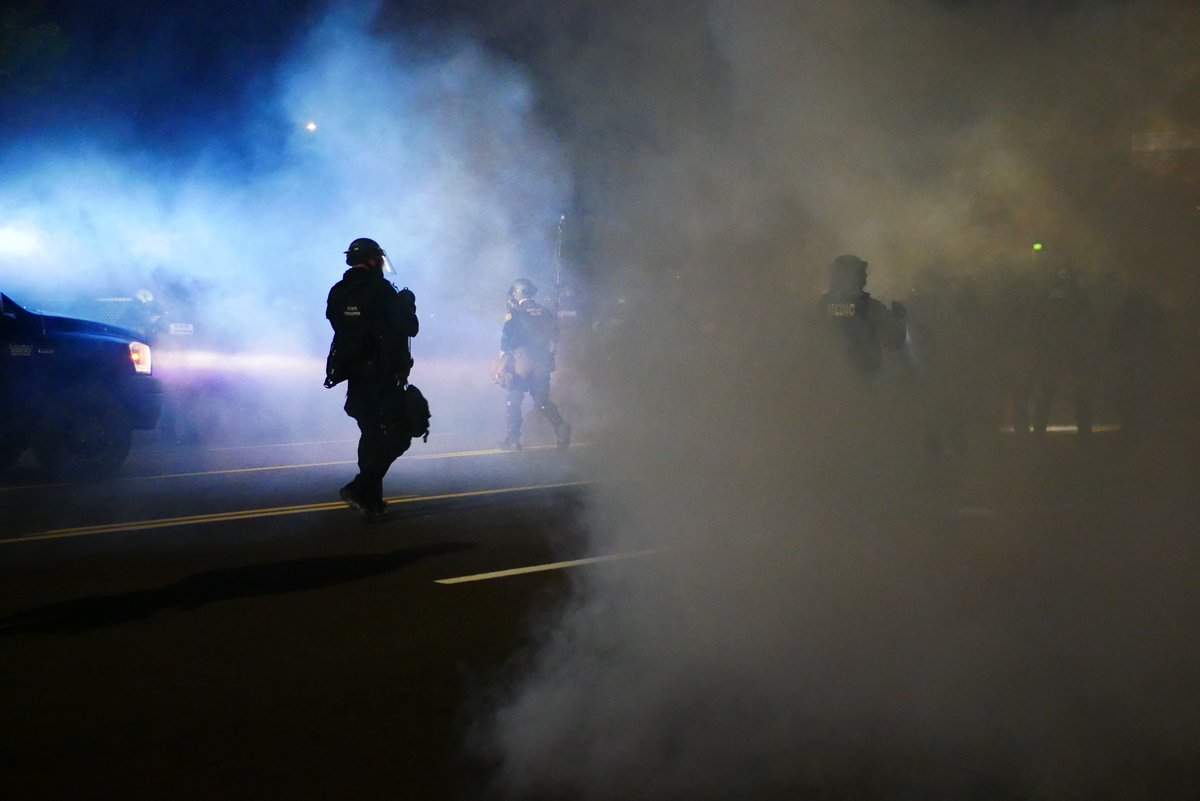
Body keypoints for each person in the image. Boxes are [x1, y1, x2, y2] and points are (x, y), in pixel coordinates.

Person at [326, 237, 419, 521]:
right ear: (373, 260)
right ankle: (360, 487)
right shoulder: (381, 290)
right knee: (400, 435)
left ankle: (372, 501)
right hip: (382, 374)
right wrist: (407, 305)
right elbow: (410, 328)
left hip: (354, 374)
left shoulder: (339, 291)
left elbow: (338, 324)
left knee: (371, 432)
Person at [494, 278, 571, 451]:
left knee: (513, 401)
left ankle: (512, 440)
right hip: (542, 364)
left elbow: (507, 337)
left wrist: (502, 356)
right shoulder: (545, 311)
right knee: (542, 401)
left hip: (522, 364)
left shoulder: (515, 312)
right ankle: (561, 429)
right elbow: (556, 337)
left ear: (518, 293)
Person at [820, 254, 907, 377]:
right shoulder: (869, 307)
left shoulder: (819, 307)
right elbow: (893, 340)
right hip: (863, 382)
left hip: (824, 382)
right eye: (861, 272)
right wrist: (899, 317)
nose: (865, 276)